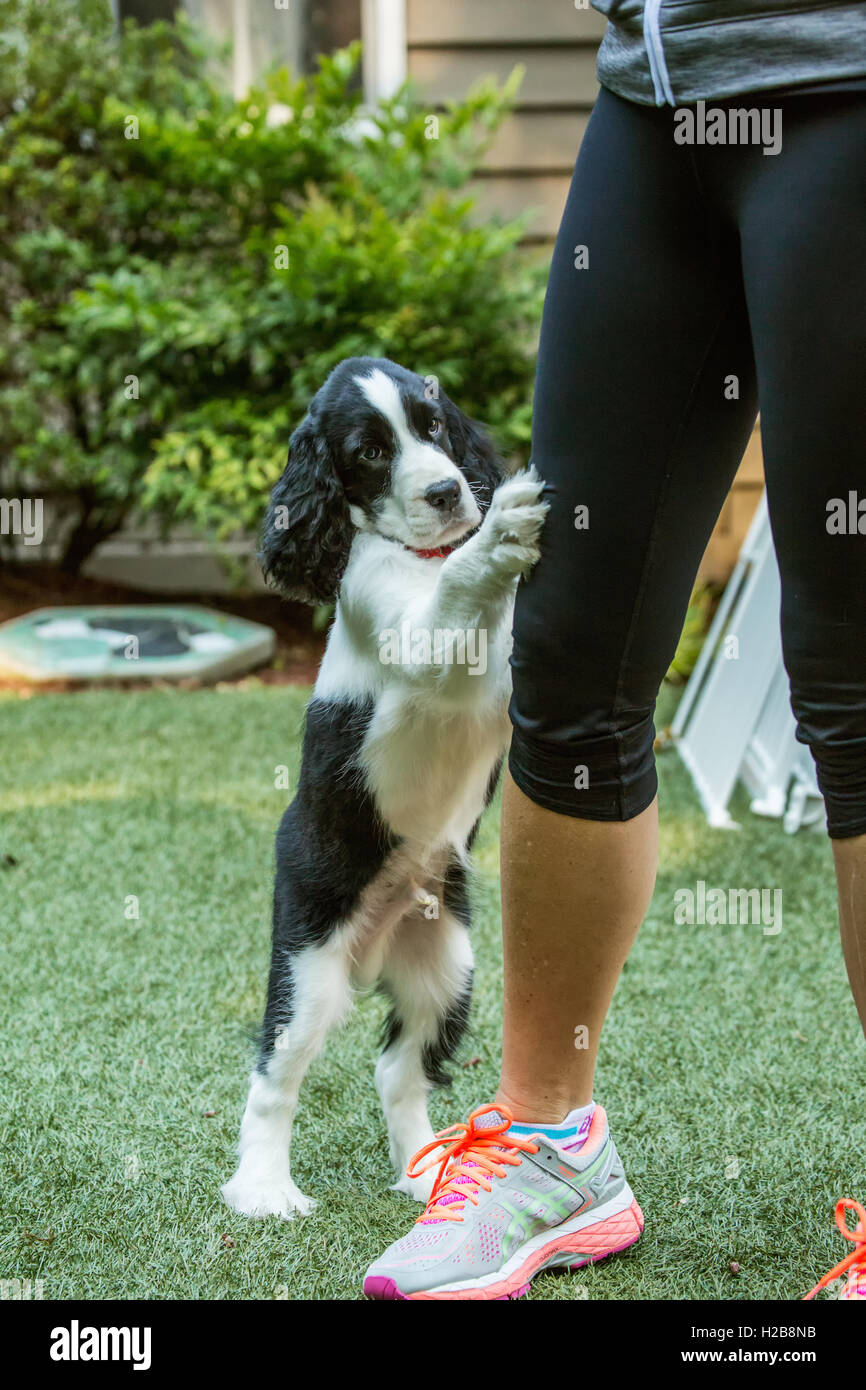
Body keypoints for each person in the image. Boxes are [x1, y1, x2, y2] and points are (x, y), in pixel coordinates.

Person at [363, 0, 866, 1301]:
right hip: (656, 86)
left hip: (845, 78)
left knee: (856, 672)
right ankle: (552, 1146)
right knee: (573, 649)